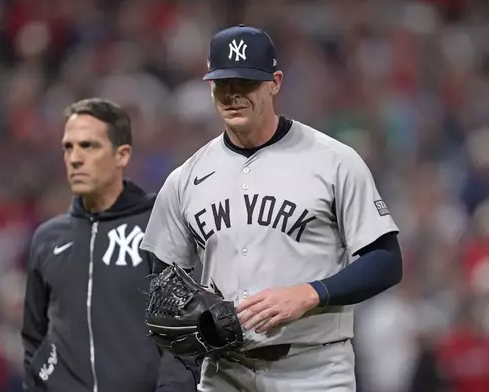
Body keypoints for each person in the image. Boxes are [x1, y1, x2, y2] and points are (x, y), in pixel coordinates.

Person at [139, 25, 404, 392]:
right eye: (222, 83)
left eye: (246, 83)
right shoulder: (185, 178)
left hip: (315, 370)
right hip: (223, 373)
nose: (232, 94)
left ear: (275, 82)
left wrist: (312, 293)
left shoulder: (334, 161)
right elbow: (162, 285)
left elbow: (386, 261)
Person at [21, 98, 198, 392]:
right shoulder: (47, 239)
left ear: (122, 155)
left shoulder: (156, 225)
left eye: (89, 146)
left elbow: (181, 333)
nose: (75, 158)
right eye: (68, 147)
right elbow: (33, 338)